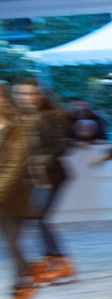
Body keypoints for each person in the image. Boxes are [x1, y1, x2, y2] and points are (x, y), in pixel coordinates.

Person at [13, 77, 76, 284]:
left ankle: (59, 262)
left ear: (40, 95)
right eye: (20, 93)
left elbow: (62, 146)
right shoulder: (15, 118)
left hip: (51, 175)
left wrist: (36, 160)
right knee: (33, 219)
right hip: (29, 177)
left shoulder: (53, 116)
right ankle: (54, 260)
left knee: (39, 217)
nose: (25, 98)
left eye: (30, 93)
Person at [0, 85, 44, 299]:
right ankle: (28, 274)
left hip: (12, 196)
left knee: (11, 243)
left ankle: (20, 287)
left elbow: (13, 168)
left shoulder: (15, 128)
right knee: (10, 244)